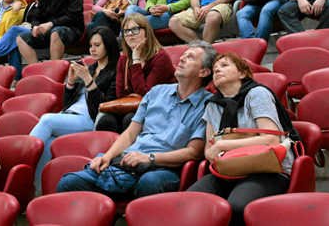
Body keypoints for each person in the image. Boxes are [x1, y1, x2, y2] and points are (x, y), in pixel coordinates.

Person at [58, 45, 214, 198]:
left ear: (204, 72)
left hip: (163, 167)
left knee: (149, 182)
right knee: (69, 182)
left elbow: (194, 152)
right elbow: (130, 134)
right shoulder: (156, 92)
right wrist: (107, 156)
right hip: (128, 160)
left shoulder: (208, 104)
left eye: (190, 57)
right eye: (183, 55)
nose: (182, 59)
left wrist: (150, 158)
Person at [188, 53, 296, 226]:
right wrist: (214, 153)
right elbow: (209, 150)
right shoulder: (213, 105)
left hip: (268, 169)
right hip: (228, 170)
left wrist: (224, 145)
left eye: (224, 65)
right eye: (215, 69)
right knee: (192, 202)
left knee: (237, 206)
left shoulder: (257, 93)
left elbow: (271, 140)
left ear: (242, 73)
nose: (217, 70)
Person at [30, 26, 119, 184]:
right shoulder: (91, 68)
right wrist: (70, 82)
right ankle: (38, 187)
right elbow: (68, 104)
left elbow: (103, 105)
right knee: (49, 144)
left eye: (97, 45)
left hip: (90, 118)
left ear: (108, 45)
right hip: (71, 116)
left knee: (46, 120)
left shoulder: (115, 71)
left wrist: (88, 81)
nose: (92, 49)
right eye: (91, 45)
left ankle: (23, 154)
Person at [96, 15, 175, 134]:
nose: (130, 34)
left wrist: (136, 60)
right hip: (133, 107)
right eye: (126, 31)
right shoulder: (123, 59)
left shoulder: (160, 58)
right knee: (106, 120)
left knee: (131, 119)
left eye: (135, 29)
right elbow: (120, 93)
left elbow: (146, 94)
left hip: (158, 107)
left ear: (146, 32)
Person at [16, 0, 84, 64]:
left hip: (71, 29)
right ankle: (36, 68)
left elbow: (73, 17)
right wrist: (35, 26)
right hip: (50, 29)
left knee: (56, 32)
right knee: (21, 38)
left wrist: (51, 24)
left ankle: (53, 67)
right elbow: (37, 14)